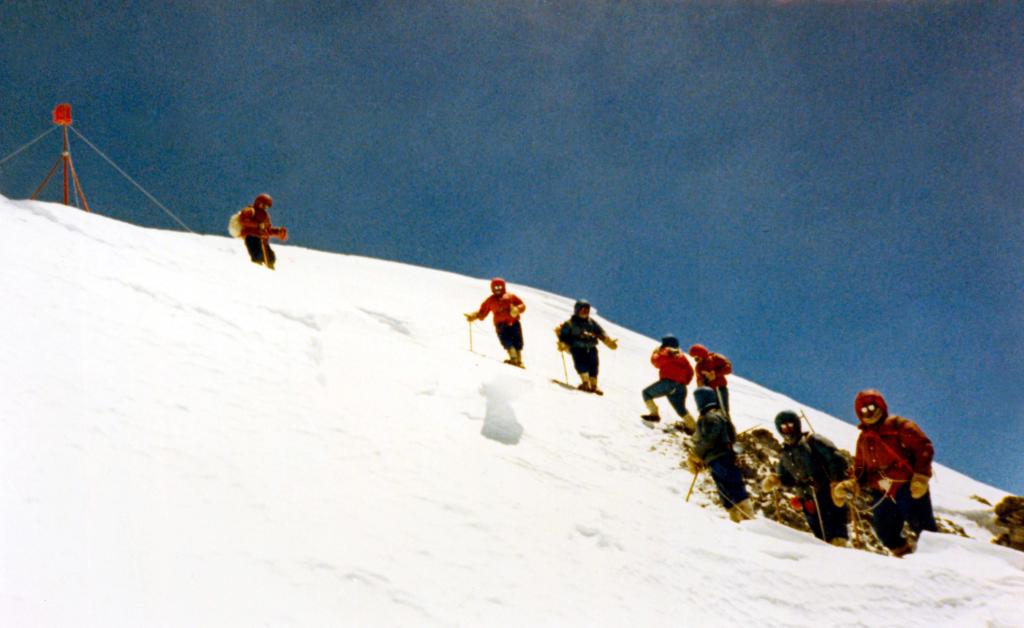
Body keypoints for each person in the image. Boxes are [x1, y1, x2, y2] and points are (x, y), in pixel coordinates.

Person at [831, 389, 937, 557]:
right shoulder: (863, 439)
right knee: (885, 531)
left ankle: (943, 563)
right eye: (864, 410)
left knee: (924, 529)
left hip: (907, 485)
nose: (869, 412)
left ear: (881, 406)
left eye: (872, 407)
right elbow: (860, 467)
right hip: (881, 490)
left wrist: (921, 476)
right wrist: (852, 483)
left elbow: (923, 447)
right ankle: (906, 560)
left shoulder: (898, 425)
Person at [762, 410, 849, 545]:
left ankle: (843, 556)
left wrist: (836, 482)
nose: (788, 429)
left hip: (825, 492)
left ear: (797, 424)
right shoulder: (785, 452)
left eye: (790, 425)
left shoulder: (813, 441)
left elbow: (836, 459)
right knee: (819, 535)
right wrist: (777, 480)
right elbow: (787, 477)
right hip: (806, 498)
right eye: (783, 427)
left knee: (835, 532)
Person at [687, 386, 754, 522]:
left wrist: (696, 454)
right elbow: (732, 436)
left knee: (727, 486)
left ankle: (741, 517)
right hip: (723, 456)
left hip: (718, 457)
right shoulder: (721, 415)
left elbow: (709, 439)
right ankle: (743, 516)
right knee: (729, 485)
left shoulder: (710, 417)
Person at [556, 300, 618, 394]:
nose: (585, 311)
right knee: (581, 364)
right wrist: (563, 343)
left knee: (593, 365)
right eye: (583, 309)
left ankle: (593, 385)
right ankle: (585, 383)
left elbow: (600, 332)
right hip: (577, 348)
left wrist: (608, 341)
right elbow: (563, 335)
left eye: (587, 309)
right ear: (577, 310)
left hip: (592, 347)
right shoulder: (570, 323)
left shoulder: (591, 323)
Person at [464, 278, 526, 367]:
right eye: (495, 287)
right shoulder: (490, 300)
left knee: (517, 342)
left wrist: (517, 309)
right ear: (492, 288)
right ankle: (514, 359)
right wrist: (473, 316)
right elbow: (482, 312)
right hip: (501, 326)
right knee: (506, 341)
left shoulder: (510, 296)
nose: (497, 289)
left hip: (514, 322)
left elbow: (522, 305)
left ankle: (519, 361)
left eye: (499, 286)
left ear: (503, 287)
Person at [641, 335, 695, 433]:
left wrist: (655, 352)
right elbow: (690, 371)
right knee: (681, 409)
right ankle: (693, 428)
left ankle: (654, 415)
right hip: (681, 387)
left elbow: (655, 362)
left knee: (646, 393)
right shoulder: (682, 356)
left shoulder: (666, 351)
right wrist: (684, 381)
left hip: (668, 383)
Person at [231, 193, 288, 270]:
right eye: (263, 205)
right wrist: (257, 224)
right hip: (251, 237)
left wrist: (277, 232)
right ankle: (257, 270)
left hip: (262, 239)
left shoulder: (265, 216)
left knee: (271, 257)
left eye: (267, 206)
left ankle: (270, 269)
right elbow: (244, 221)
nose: (265, 207)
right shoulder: (250, 210)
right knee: (257, 255)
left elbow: (266, 229)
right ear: (258, 202)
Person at [689, 344, 733, 415]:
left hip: (719, 388)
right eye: (694, 358)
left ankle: (727, 424)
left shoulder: (715, 358)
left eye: (697, 358)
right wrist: (702, 383)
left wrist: (715, 374)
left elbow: (728, 368)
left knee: (723, 410)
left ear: (702, 354)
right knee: (710, 412)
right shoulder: (698, 367)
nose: (696, 360)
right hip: (709, 393)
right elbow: (699, 380)